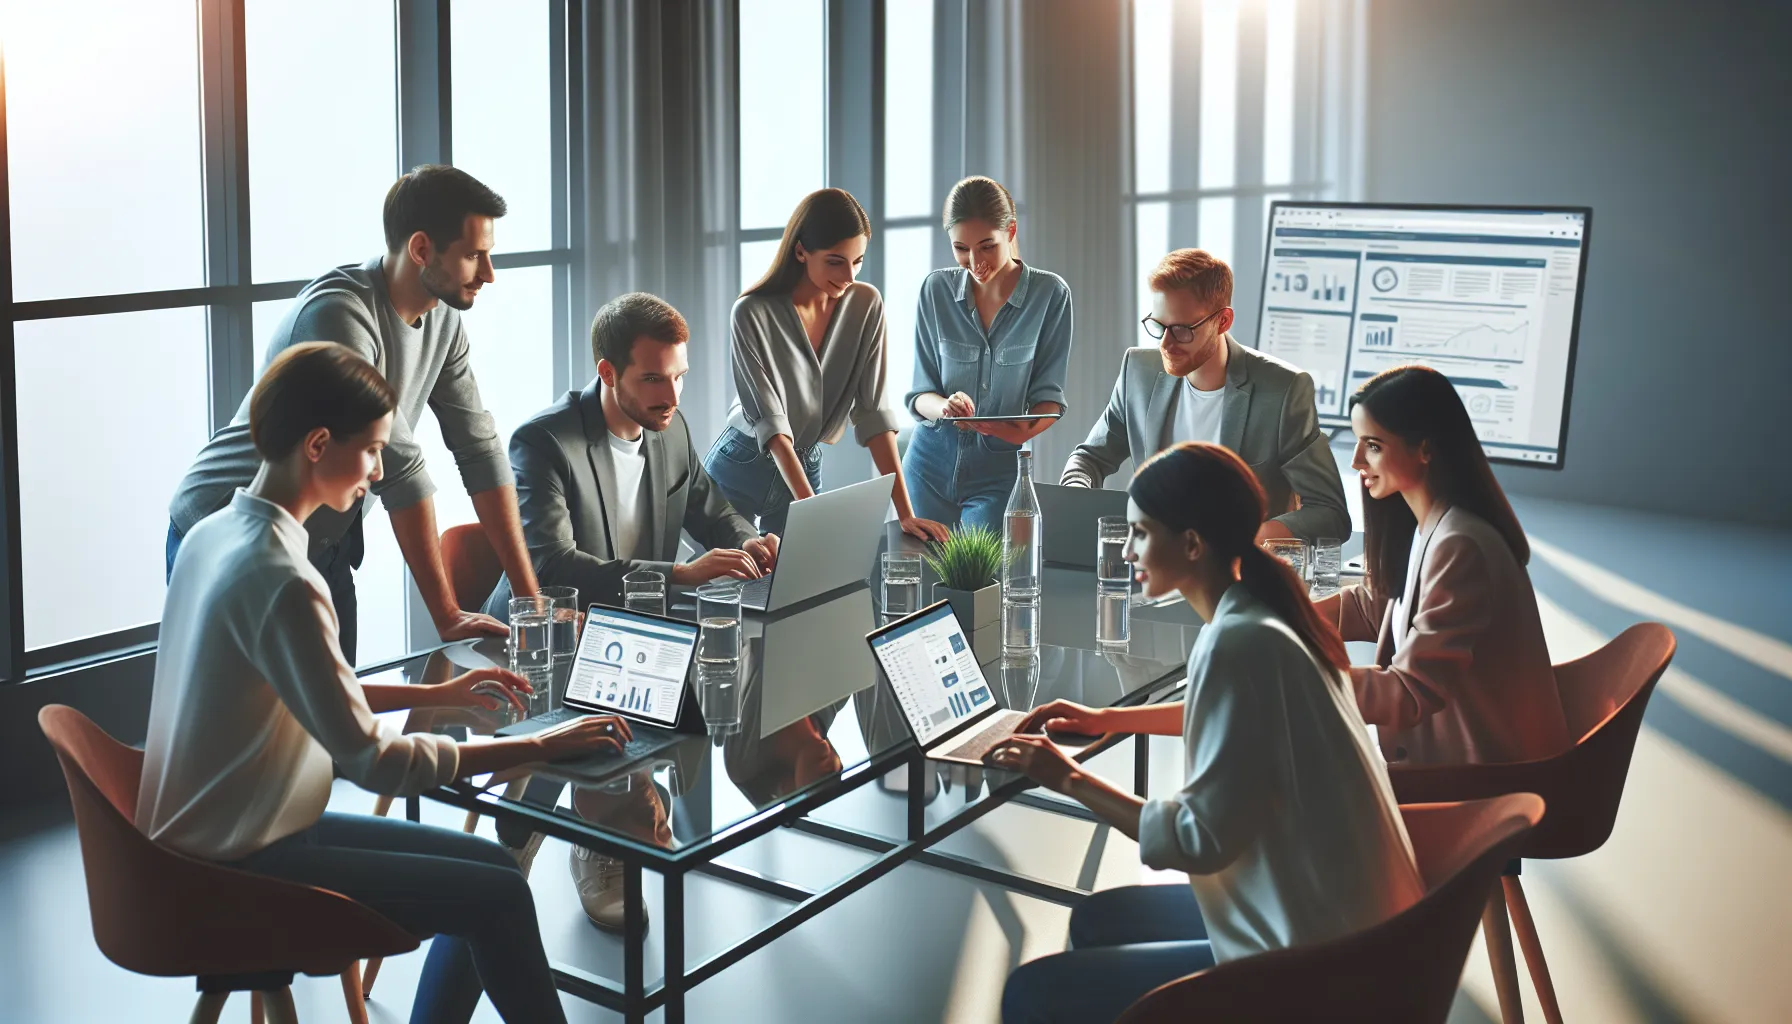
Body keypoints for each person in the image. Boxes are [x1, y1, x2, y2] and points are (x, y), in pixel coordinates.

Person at [137, 343, 629, 1024]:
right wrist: (540, 749)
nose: (375, 473)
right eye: (370, 451)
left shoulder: (213, 533)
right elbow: (376, 762)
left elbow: (302, 689)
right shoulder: (286, 578)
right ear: (317, 444)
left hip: (197, 841)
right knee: (499, 894)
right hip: (245, 864)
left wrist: (437, 698)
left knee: (494, 872)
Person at [990, 442, 1423, 1024]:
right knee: (1098, 920)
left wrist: (1065, 777)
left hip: (1321, 968)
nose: (1125, 550)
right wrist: (1109, 719)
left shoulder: (1237, 642)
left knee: (1030, 995)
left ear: (1192, 544)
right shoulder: (1266, 617)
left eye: (1140, 533)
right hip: (1359, 926)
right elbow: (1233, 716)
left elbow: (1198, 841)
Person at [168, 165, 539, 662]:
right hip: (230, 529)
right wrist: (447, 614)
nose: (489, 273)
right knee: (262, 725)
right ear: (422, 249)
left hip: (325, 540)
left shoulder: (443, 318)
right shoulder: (339, 315)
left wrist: (529, 601)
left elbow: (479, 447)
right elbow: (400, 468)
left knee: (331, 721)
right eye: (474, 255)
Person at [1315, 365, 1569, 764]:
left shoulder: (1460, 545)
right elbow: (1376, 606)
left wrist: (1298, 683)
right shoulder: (1428, 526)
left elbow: (1411, 690)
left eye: (1374, 445)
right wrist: (1284, 618)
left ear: (1426, 449)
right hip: (1458, 762)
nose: (1357, 461)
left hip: (1488, 783)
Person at [483, 292, 778, 619]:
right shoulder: (543, 442)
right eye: (653, 379)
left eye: (679, 376)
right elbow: (553, 568)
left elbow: (715, 514)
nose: (673, 397)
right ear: (608, 373)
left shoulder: (672, 429)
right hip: (542, 634)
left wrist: (748, 544)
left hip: (637, 626)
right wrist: (679, 574)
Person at [703, 187, 948, 542]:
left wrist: (906, 515)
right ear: (801, 250)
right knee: (733, 578)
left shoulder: (866, 305)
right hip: (743, 461)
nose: (850, 275)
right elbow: (772, 427)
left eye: (858, 260)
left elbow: (874, 414)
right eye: (836, 261)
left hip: (804, 460)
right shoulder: (751, 313)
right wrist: (813, 511)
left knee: (806, 586)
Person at [1060, 248, 1350, 545]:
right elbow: (1089, 459)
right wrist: (1076, 497)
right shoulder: (1138, 373)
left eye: (1182, 330)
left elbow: (1330, 514)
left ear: (1222, 322)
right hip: (1153, 568)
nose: (1166, 344)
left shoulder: (1283, 390)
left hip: (1238, 575)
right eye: (1158, 326)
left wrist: (1250, 539)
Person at [903, 176, 1072, 530]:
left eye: (986, 246)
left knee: (984, 581)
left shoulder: (1050, 295)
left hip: (997, 472)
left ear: (1010, 232)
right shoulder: (936, 290)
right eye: (961, 248)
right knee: (925, 580)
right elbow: (920, 395)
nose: (975, 261)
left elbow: (1049, 401)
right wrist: (946, 408)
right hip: (927, 466)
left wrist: (1014, 433)